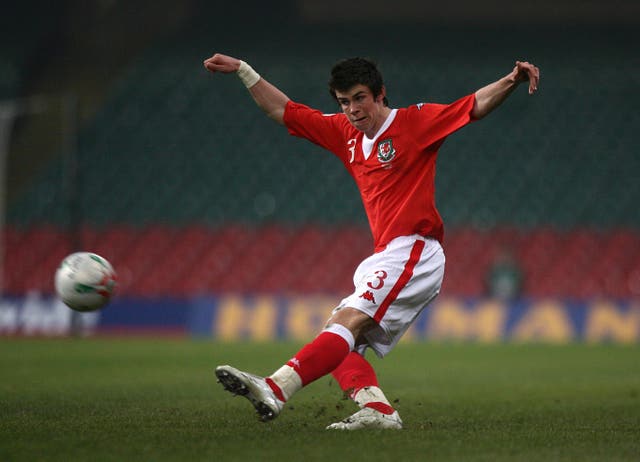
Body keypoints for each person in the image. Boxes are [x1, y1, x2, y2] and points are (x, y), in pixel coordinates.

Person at [203, 52, 540, 430]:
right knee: (337, 335)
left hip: (416, 248)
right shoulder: (344, 134)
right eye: (344, 102)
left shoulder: (413, 122)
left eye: (359, 98)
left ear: (380, 95)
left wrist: (510, 80)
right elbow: (284, 111)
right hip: (387, 254)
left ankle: (276, 388)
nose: (352, 110)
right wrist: (245, 71)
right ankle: (379, 411)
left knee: (345, 323)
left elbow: (473, 105)